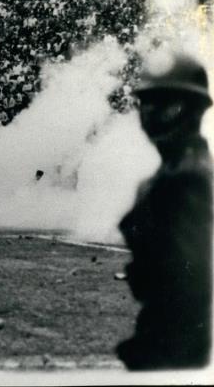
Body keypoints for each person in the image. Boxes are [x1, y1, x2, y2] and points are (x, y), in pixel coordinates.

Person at [116, 52, 212, 370]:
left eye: (165, 102)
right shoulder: (168, 176)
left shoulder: (192, 181)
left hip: (178, 350)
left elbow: (191, 287)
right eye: (146, 102)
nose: (150, 112)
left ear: (193, 109)